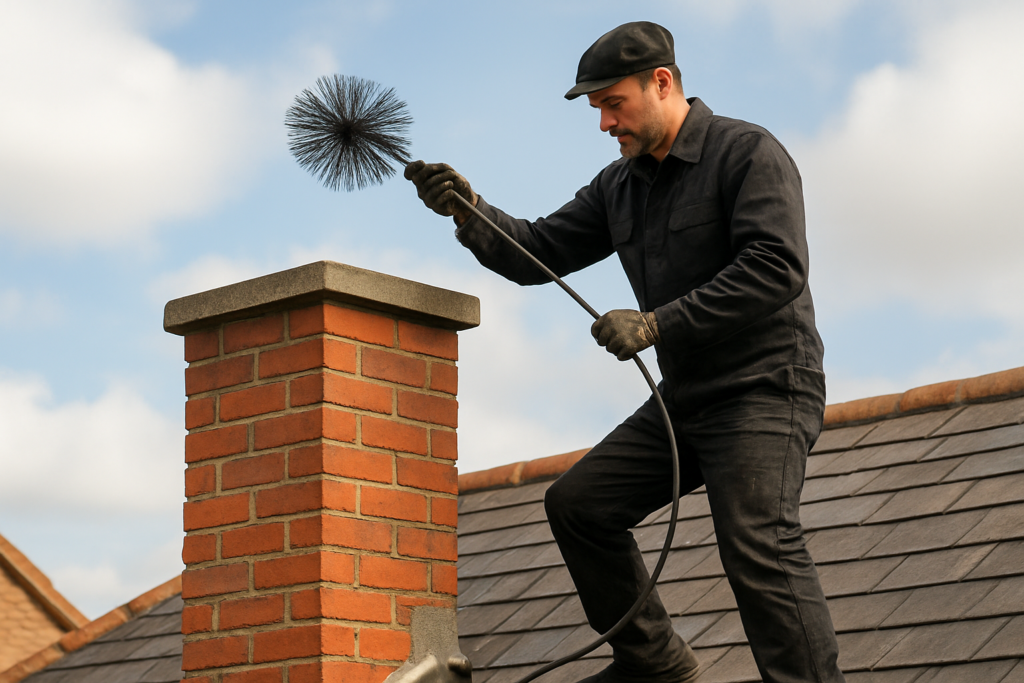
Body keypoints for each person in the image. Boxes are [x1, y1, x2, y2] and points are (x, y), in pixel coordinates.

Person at [405, 21, 845, 683]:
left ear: (661, 82)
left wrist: (657, 323)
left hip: (765, 388)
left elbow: (776, 267)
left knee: (758, 540)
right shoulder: (619, 187)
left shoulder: (748, 154)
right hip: (687, 401)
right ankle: (655, 663)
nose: (605, 123)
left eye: (613, 104)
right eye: (597, 109)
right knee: (578, 504)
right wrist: (469, 211)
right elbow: (539, 251)